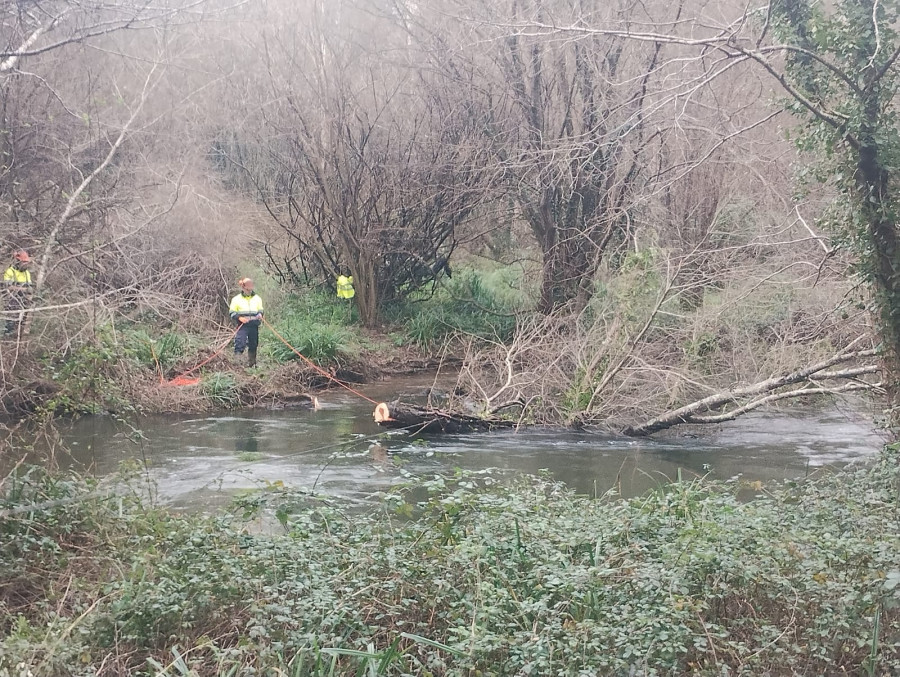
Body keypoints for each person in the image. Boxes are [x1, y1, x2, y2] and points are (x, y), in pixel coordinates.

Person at [229, 277, 263, 367]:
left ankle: (252, 364)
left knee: (253, 344)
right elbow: (232, 312)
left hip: (254, 325)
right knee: (240, 342)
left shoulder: (257, 298)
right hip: (242, 325)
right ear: (243, 288)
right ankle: (237, 363)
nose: (249, 290)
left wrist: (260, 314)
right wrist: (240, 318)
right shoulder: (236, 299)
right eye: (248, 288)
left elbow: (260, 310)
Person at [3, 250, 33, 337]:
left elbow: (30, 287)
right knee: (11, 322)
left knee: (22, 324)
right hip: (12, 301)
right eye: (24, 262)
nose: (26, 265)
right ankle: (7, 339)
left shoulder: (27, 273)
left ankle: (19, 339)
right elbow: (8, 287)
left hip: (24, 302)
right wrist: (23, 289)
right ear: (18, 262)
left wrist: (30, 293)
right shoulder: (10, 272)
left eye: (26, 263)